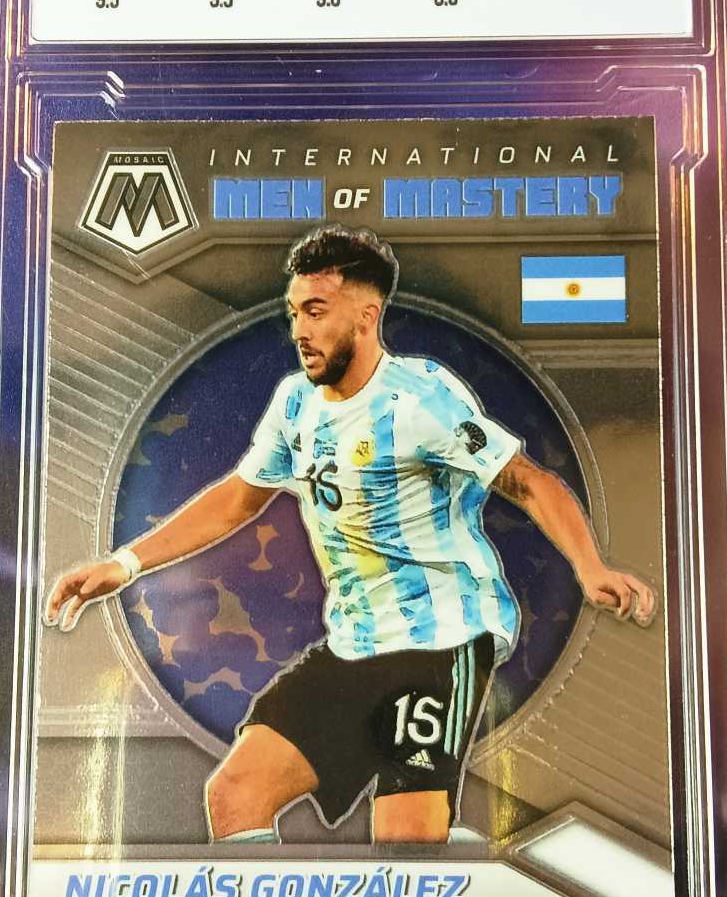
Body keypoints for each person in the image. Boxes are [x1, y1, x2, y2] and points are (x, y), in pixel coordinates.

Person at [44, 223, 655, 844]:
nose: (299, 330)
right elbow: (238, 498)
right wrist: (123, 565)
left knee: (403, 848)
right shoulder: (295, 404)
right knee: (236, 792)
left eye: (315, 311)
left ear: (366, 316)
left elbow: (527, 481)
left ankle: (445, 881)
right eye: (293, 313)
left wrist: (591, 568)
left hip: (441, 640)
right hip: (354, 641)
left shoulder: (420, 400)